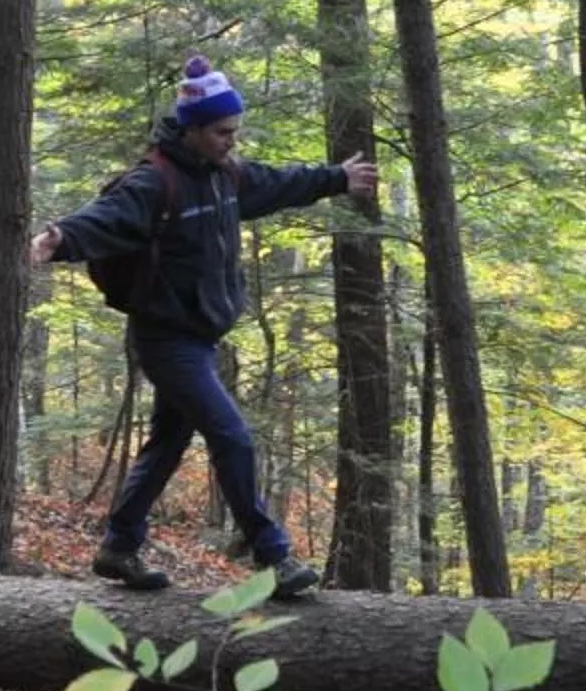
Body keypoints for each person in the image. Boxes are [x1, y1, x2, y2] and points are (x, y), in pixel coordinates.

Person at [30, 55, 377, 598]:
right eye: (222, 132)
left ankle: (119, 545)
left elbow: (277, 182)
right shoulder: (154, 182)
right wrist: (57, 239)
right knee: (231, 437)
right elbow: (106, 218)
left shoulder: (225, 177)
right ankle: (274, 557)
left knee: (167, 442)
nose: (231, 142)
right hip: (165, 338)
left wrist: (336, 178)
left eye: (234, 132)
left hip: (200, 336)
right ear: (192, 130)